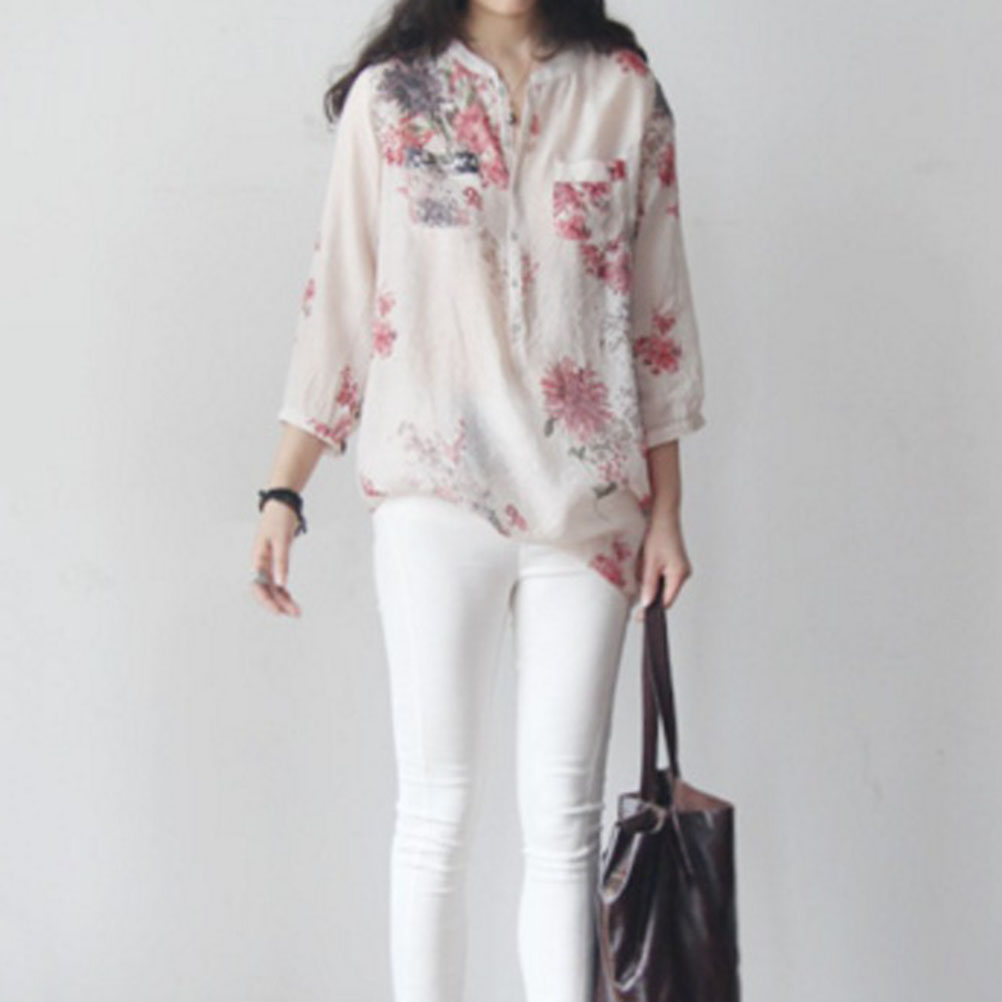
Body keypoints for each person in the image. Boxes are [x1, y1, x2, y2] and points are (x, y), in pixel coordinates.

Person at [250, 1, 707, 999]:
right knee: (436, 818)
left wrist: (667, 512)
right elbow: (341, 295)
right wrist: (286, 486)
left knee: (564, 828)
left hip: (589, 511)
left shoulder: (622, 92)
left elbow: (657, 313)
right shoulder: (391, 99)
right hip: (435, 497)